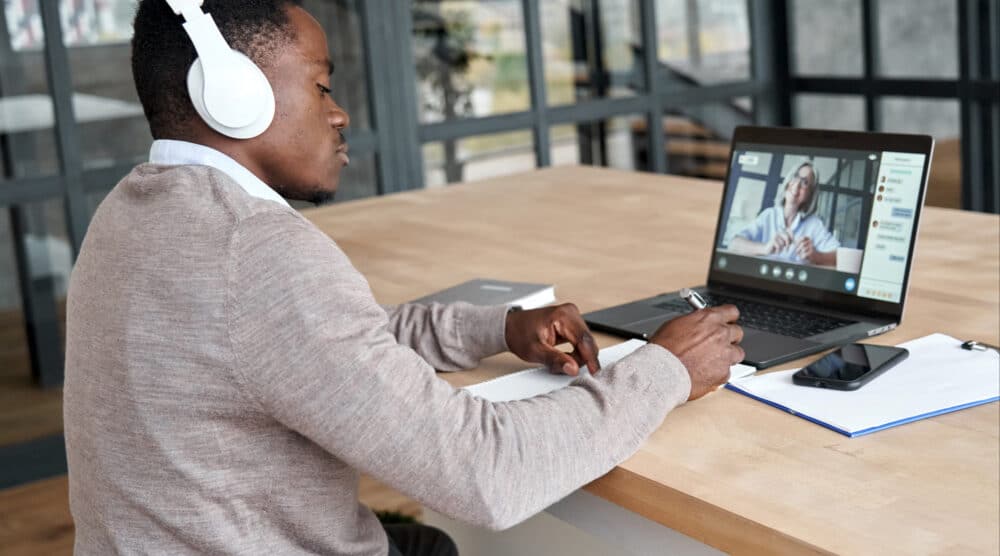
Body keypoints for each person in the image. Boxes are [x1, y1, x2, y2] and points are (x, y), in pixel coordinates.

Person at [63, 1, 744, 555]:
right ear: (232, 96)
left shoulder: (128, 215)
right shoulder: (256, 251)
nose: (340, 113)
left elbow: (318, 343)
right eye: (322, 84)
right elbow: (486, 473)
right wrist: (666, 369)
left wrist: (496, 327)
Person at [729, 161, 839, 266]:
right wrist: (765, 248)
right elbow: (734, 244)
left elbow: (839, 256)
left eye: (805, 182)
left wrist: (816, 256)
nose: (796, 185)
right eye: (795, 177)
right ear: (788, 181)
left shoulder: (814, 224)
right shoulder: (768, 215)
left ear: (809, 195)